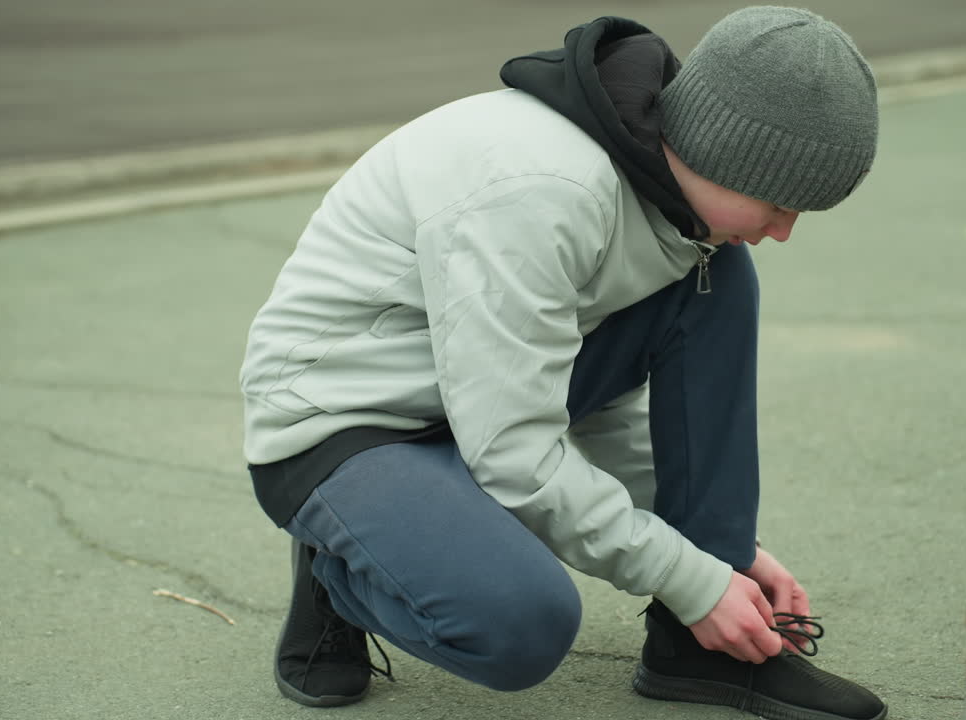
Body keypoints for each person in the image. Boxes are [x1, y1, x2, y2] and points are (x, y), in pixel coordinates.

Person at [240, 6, 885, 720]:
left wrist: (723, 558)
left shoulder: (665, 205)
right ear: (719, 148)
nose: (785, 231)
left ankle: (694, 651)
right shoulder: (544, 190)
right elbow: (514, 449)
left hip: (470, 404)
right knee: (519, 626)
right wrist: (685, 575)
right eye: (778, 201)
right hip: (346, 426)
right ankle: (339, 568)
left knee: (718, 278)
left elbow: (593, 407)